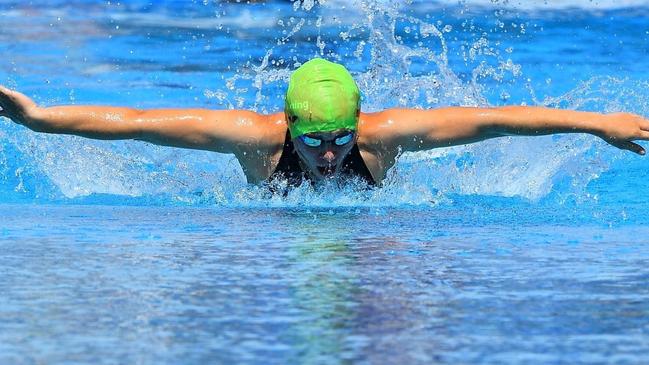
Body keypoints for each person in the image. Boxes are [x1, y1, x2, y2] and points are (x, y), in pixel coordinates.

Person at [1, 58, 648, 188]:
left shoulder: (381, 136)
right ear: (287, 127)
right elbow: (137, 120)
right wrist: (33, 117)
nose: (331, 154)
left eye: (340, 137)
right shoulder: (255, 138)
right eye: (313, 140)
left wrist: (596, 124)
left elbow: (491, 121)